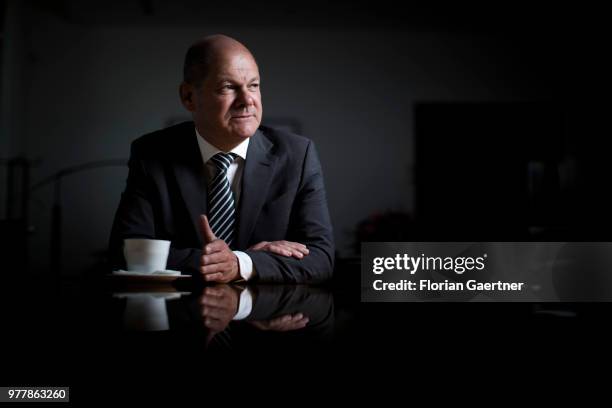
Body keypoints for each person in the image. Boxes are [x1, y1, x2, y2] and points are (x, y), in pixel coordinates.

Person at [109, 34, 334, 283]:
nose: (247, 100)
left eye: (254, 85)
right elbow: (127, 254)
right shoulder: (152, 154)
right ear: (188, 97)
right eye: (228, 87)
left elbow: (322, 258)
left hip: (267, 314)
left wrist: (240, 263)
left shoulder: (296, 155)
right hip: (183, 316)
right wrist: (228, 262)